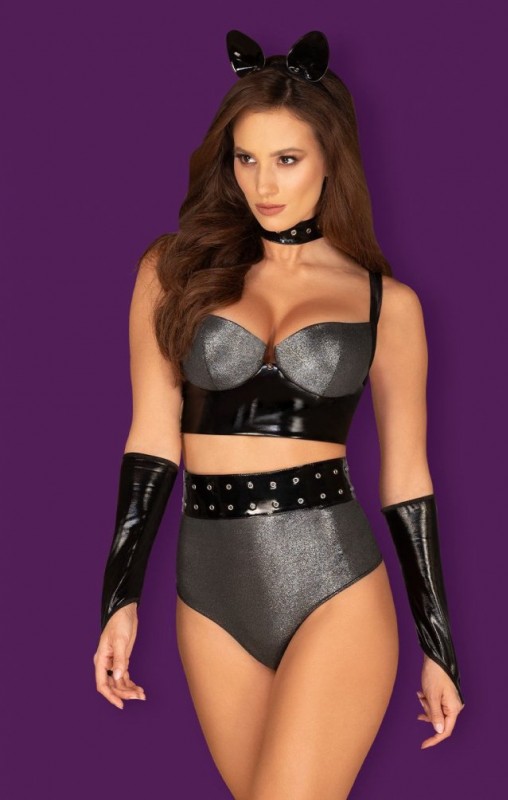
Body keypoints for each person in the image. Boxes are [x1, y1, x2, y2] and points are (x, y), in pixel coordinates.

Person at [93, 29, 465, 799]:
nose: (263, 183)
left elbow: (406, 477)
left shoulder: (385, 304)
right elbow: (152, 440)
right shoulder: (171, 270)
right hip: (208, 589)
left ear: (331, 160)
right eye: (246, 158)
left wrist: (439, 646)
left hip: (333, 579)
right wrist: (118, 599)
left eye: (287, 159)